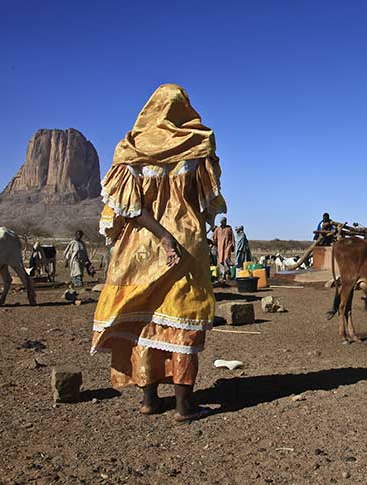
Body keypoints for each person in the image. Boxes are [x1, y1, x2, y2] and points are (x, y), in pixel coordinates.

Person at [91, 84, 227, 422]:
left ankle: (149, 401)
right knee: (184, 319)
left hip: (140, 247)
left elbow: (129, 210)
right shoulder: (197, 145)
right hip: (185, 247)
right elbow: (207, 203)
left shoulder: (129, 149)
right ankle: (185, 406)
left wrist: (159, 236)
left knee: (144, 320)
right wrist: (173, 235)